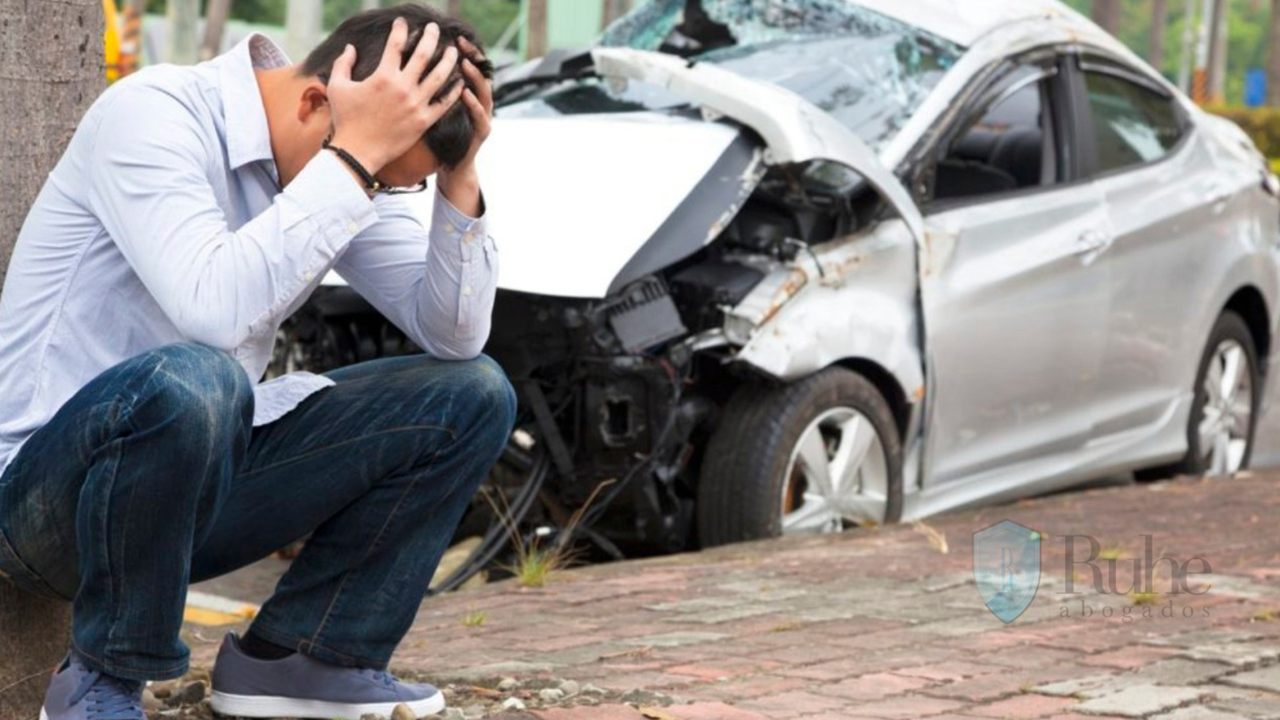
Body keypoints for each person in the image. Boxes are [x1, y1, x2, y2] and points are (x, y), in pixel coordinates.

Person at [0, 4, 514, 719]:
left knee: (471, 394)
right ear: (314, 101)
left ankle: (304, 658)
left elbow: (455, 335)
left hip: (187, 498)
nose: (377, 193)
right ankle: (101, 682)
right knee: (197, 378)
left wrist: (460, 175)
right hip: (46, 500)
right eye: (382, 179)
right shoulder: (154, 115)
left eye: (393, 185)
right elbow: (211, 310)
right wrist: (354, 163)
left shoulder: (348, 156)